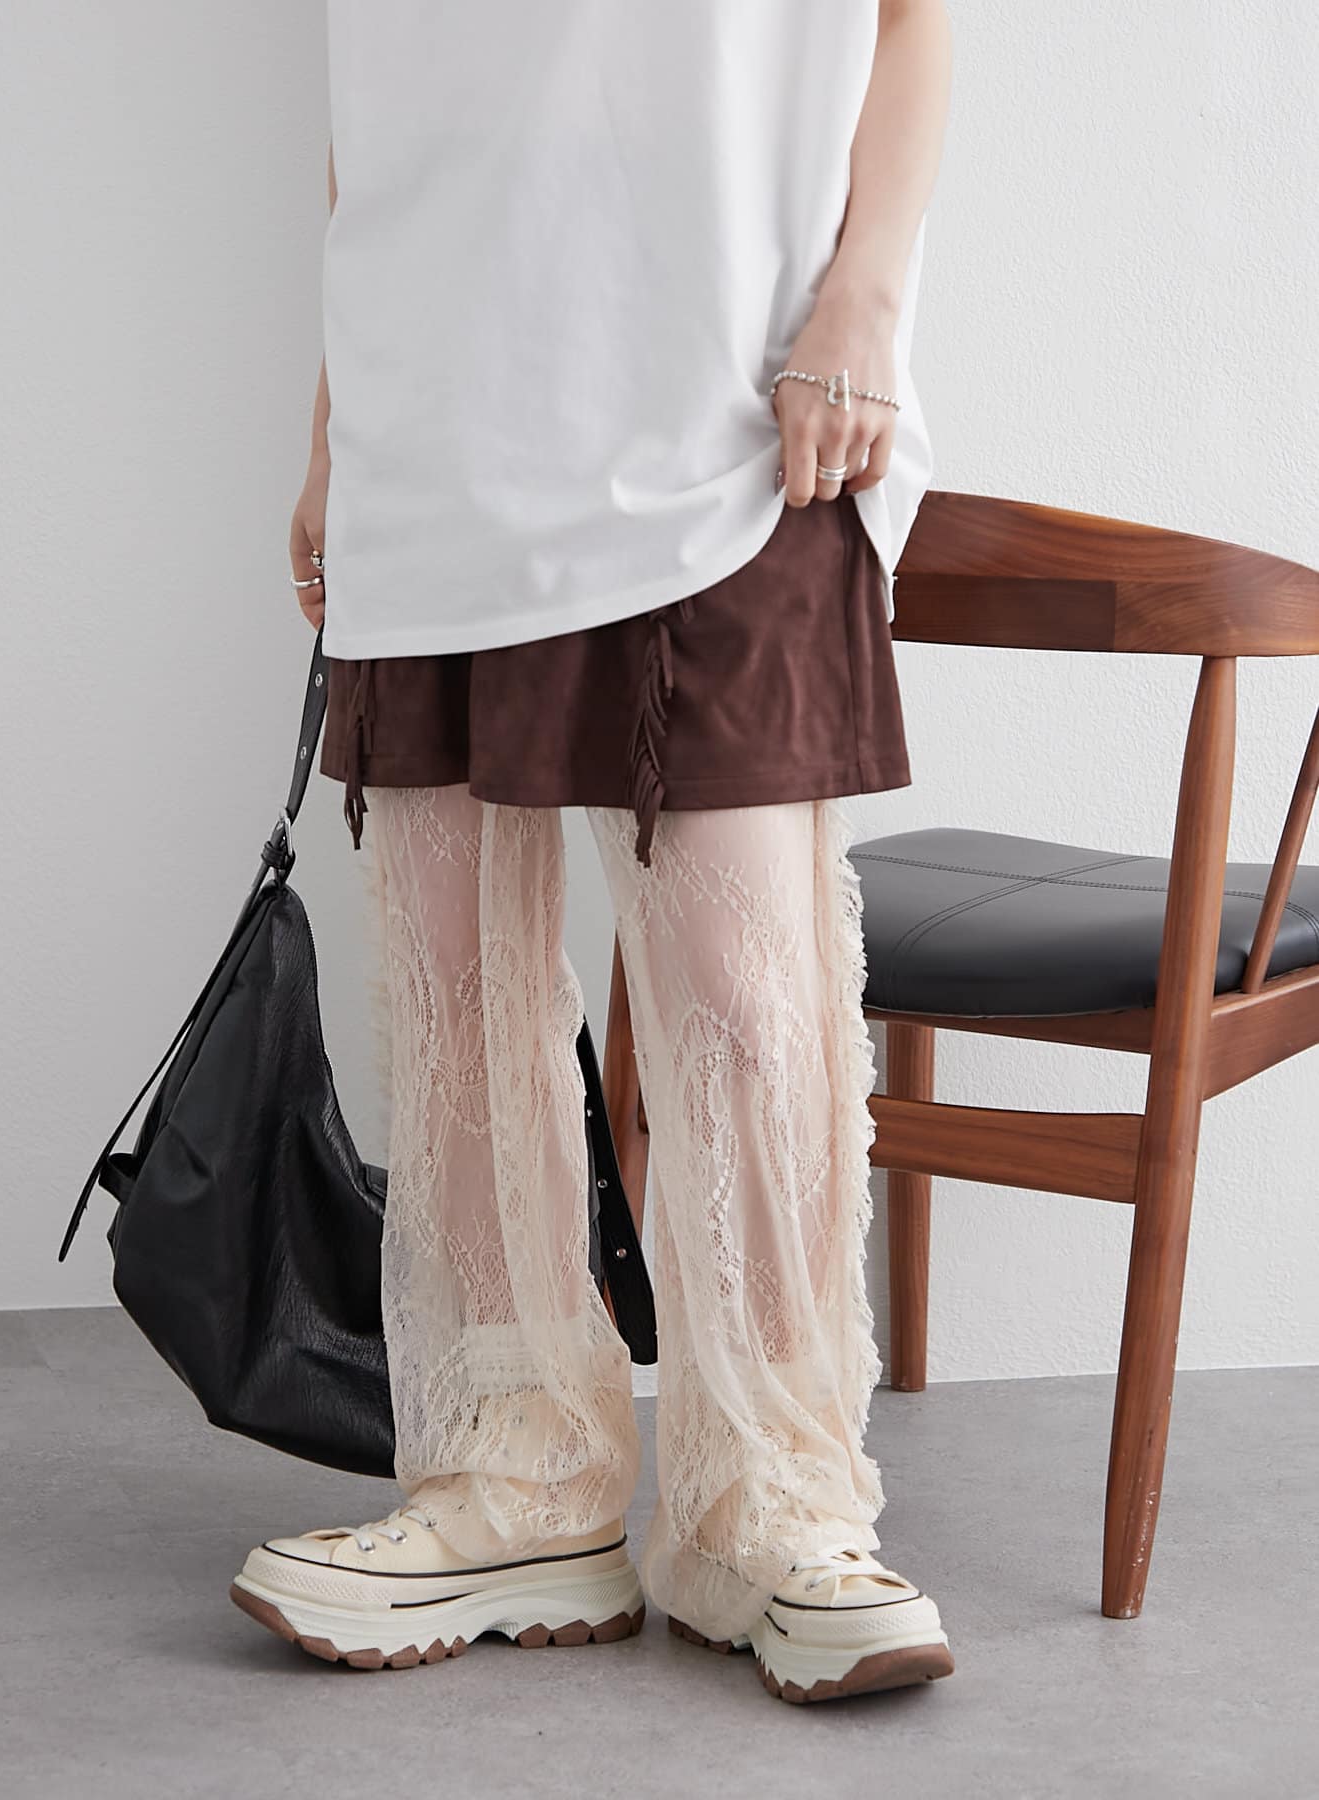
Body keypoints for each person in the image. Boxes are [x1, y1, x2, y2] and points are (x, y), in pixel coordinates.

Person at [231, 0, 955, 1704]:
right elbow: (389, 84)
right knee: (451, 986)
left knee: (746, 995)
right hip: (434, 415)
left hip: (730, 403)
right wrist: (340, 415)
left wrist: (868, 293)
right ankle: (515, 1477)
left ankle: (771, 1504)